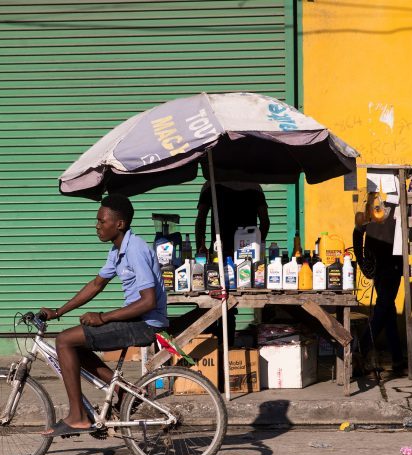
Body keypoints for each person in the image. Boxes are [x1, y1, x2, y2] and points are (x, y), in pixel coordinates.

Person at [39, 194, 168, 437]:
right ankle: (124, 392)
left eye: (101, 221)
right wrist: (58, 312)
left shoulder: (136, 249)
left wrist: (103, 317)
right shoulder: (117, 250)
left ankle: (77, 416)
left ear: (119, 224)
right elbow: (96, 284)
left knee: (64, 340)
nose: (96, 225)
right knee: (73, 345)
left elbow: (148, 301)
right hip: (135, 321)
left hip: (145, 324)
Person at [194, 169, 270, 343]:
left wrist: (200, 246)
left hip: (218, 253)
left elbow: (201, 219)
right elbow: (265, 221)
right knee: (232, 300)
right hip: (247, 253)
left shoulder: (210, 185)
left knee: (217, 297)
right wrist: (257, 244)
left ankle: (217, 347)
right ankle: (227, 345)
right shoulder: (255, 187)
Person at [353, 199, 405, 375]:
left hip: (392, 267)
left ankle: (361, 351)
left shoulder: (399, 205)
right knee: (386, 310)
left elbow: (411, 234)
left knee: (384, 309)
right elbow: (357, 232)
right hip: (378, 267)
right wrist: (361, 261)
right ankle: (361, 352)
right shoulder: (370, 205)